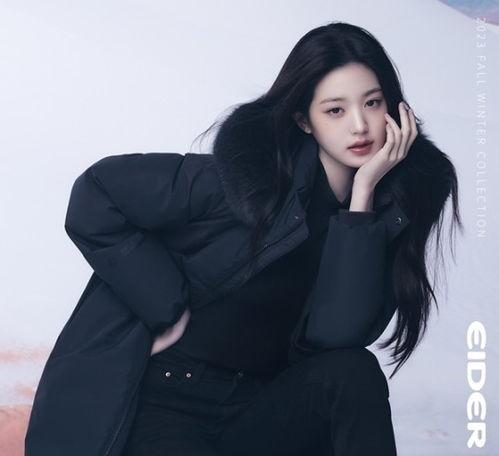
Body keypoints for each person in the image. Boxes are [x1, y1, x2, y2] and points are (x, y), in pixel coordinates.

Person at [25, 21, 462, 456]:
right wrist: (165, 307)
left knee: (354, 370)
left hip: (255, 410)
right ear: (303, 120)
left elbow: (335, 337)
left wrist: (362, 198)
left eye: (372, 103)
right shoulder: (242, 183)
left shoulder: (387, 214)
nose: (360, 126)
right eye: (335, 110)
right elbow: (97, 194)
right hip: (167, 404)